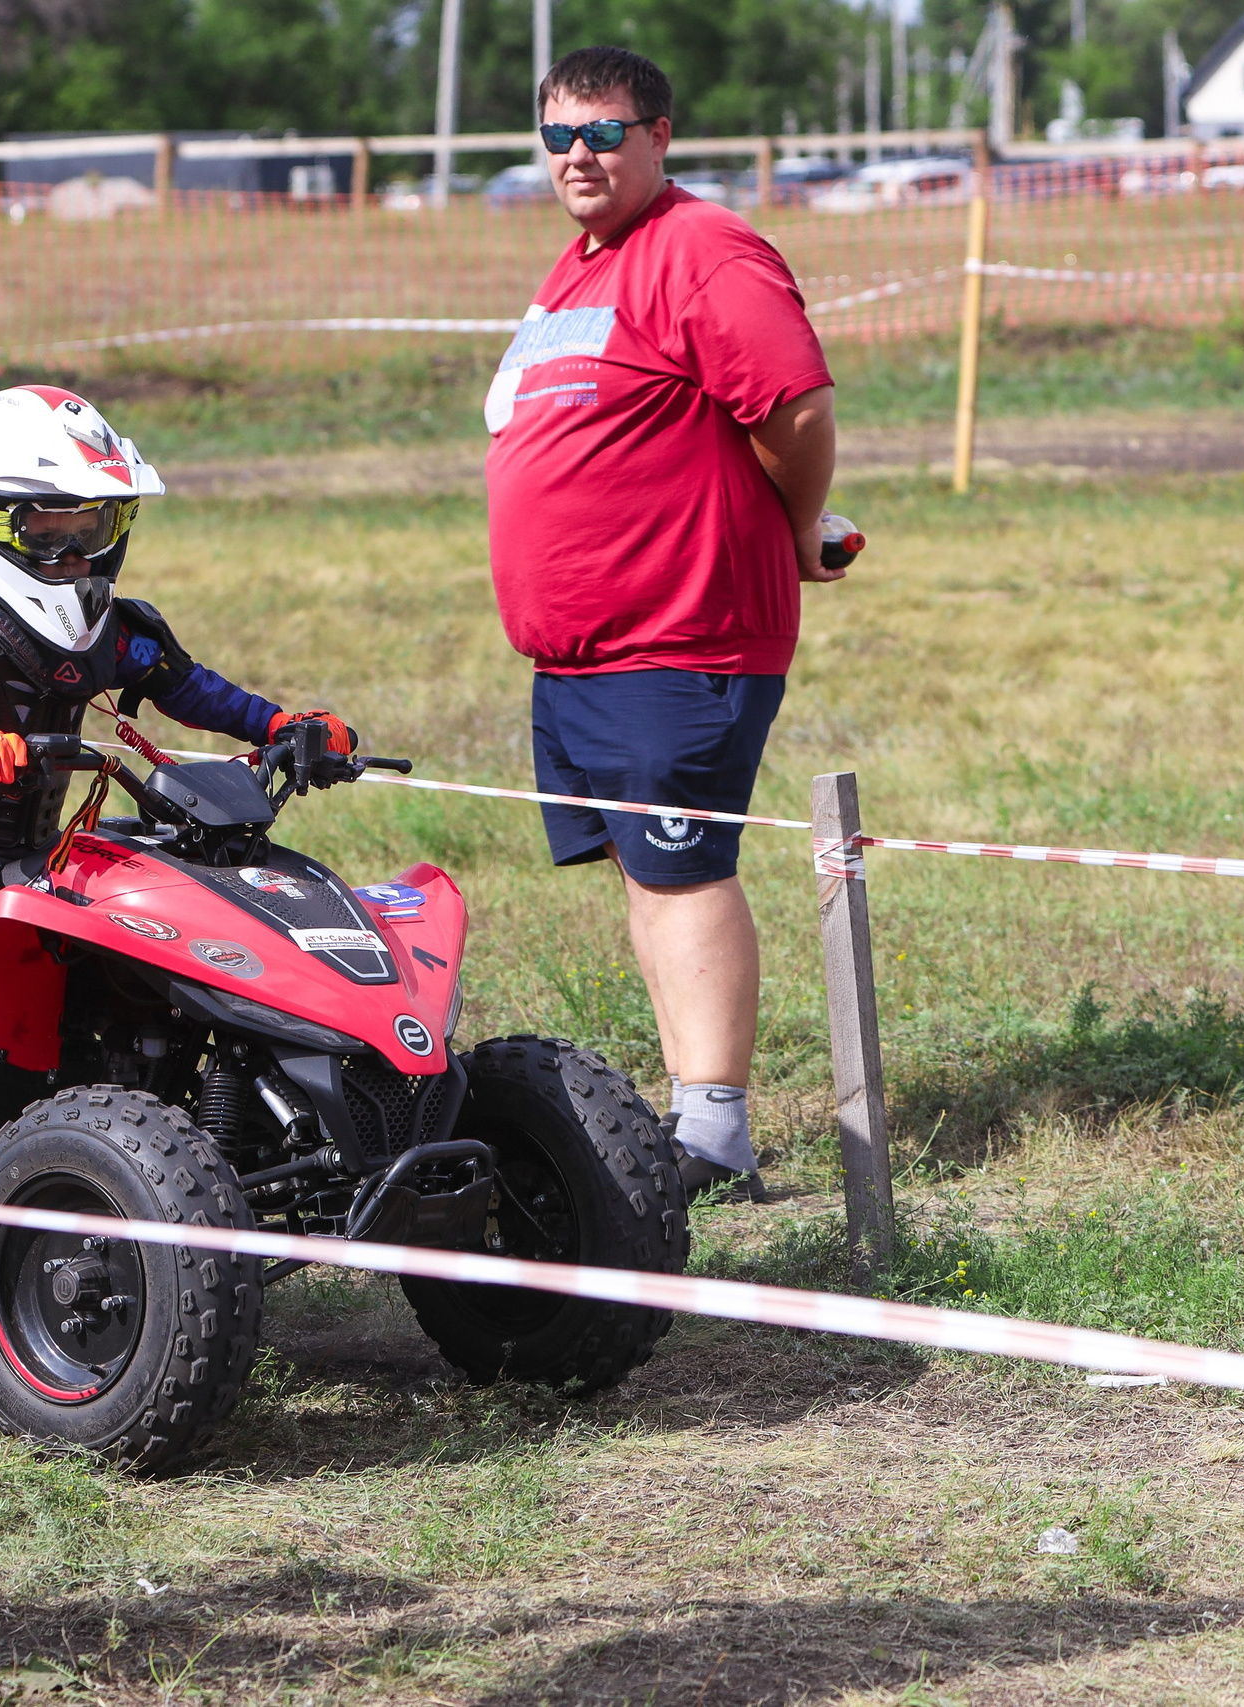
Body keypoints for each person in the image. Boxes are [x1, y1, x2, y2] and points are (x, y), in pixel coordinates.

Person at [485, 46, 844, 1201]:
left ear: (659, 136)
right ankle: (694, 1106)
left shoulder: (703, 249)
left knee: (685, 872)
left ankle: (714, 1138)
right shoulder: (579, 267)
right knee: (647, 872)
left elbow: (793, 407)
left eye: (602, 132)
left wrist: (792, 530)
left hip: (681, 632)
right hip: (580, 651)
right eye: (556, 137)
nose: (577, 155)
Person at [0, 384, 353, 1187]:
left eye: (89, 528)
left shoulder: (116, 631)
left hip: (39, 835)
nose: (72, 554)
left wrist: (279, 726)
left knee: (136, 902)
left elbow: (194, 690)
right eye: (47, 530)